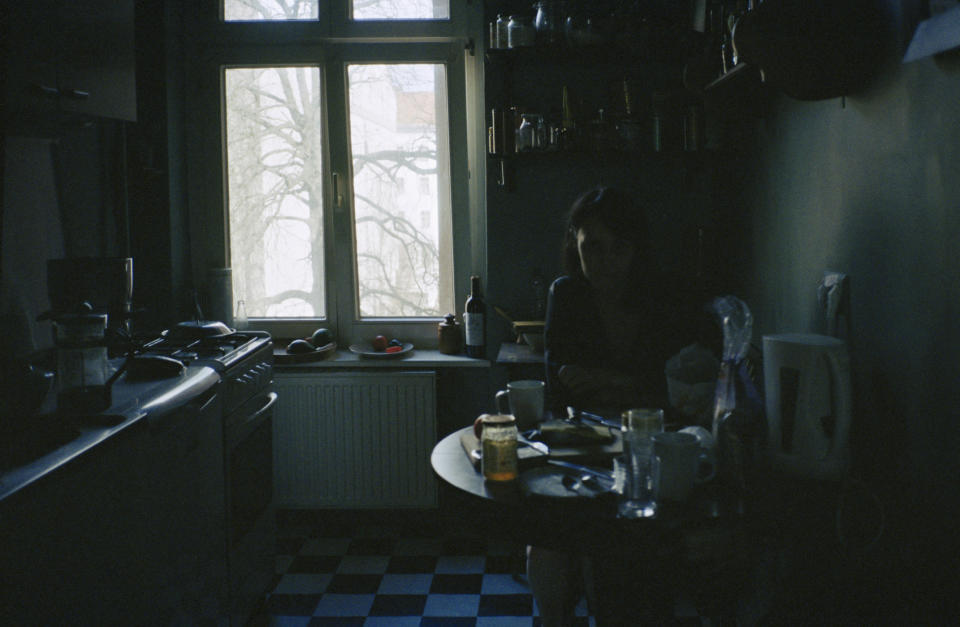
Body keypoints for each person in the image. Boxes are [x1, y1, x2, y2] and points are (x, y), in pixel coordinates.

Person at [528, 185, 717, 626]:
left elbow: (675, 396)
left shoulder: (663, 299)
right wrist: (631, 388)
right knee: (545, 546)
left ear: (637, 250)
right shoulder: (568, 295)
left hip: (649, 453)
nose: (604, 261)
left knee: (625, 560)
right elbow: (563, 389)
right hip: (583, 450)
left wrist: (610, 382)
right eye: (592, 246)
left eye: (619, 248)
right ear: (576, 243)